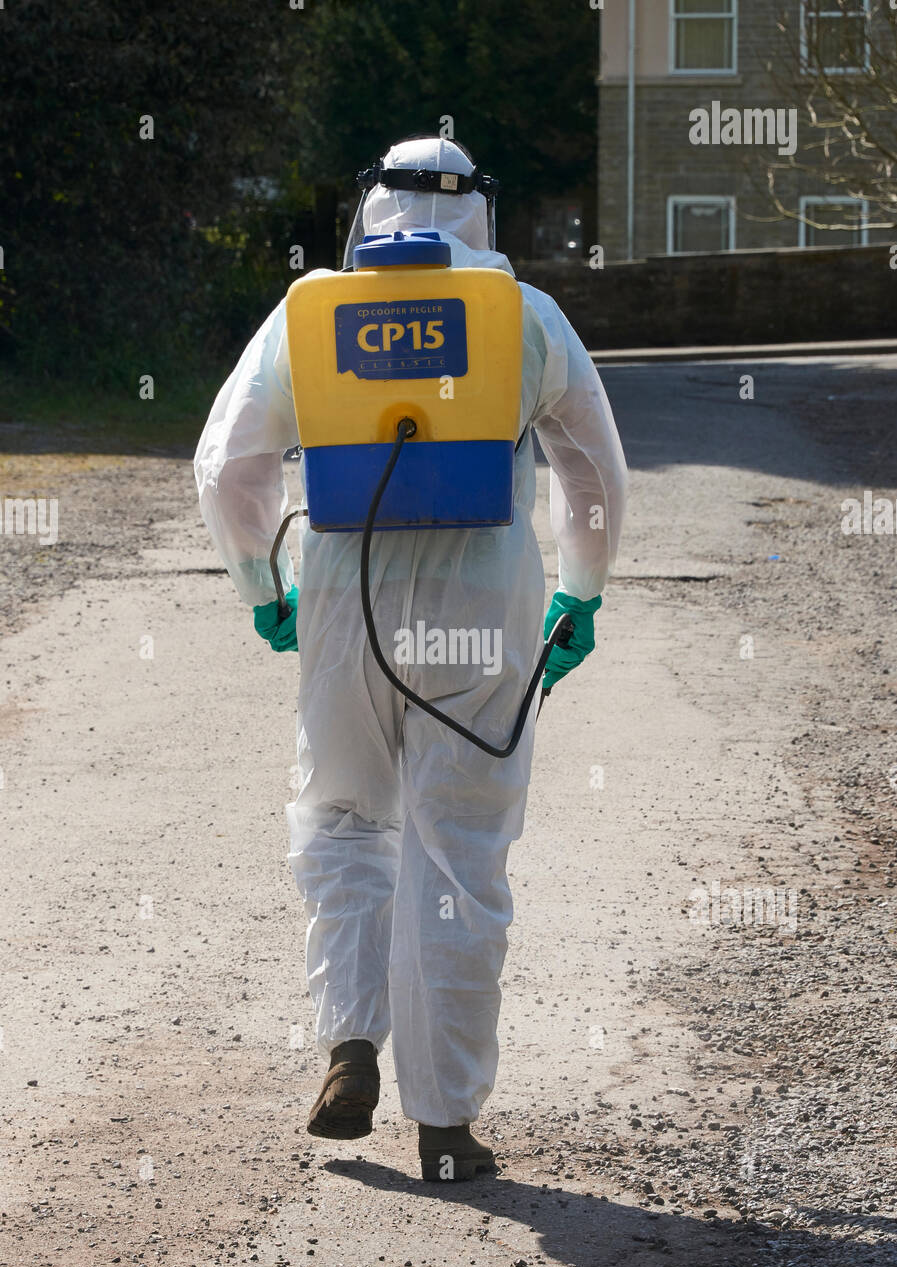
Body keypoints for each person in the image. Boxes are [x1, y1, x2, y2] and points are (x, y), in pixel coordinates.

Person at [194, 136, 627, 1181]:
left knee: (345, 816)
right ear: (482, 209)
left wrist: (266, 593)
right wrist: (583, 590)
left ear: (367, 209)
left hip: (348, 599)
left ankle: (350, 1044)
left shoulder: (313, 312)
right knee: (458, 853)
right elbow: (593, 470)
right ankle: (447, 1124)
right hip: (486, 608)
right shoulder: (522, 316)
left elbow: (227, 468)